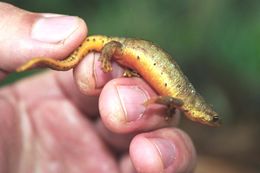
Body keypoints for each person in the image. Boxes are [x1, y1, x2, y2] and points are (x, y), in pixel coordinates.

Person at [0, 2, 196, 173]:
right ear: (202, 112)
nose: (208, 120)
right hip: (117, 47)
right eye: (210, 118)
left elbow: (170, 102)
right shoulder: (183, 101)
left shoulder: (180, 101)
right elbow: (168, 100)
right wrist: (105, 56)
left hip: (125, 55)